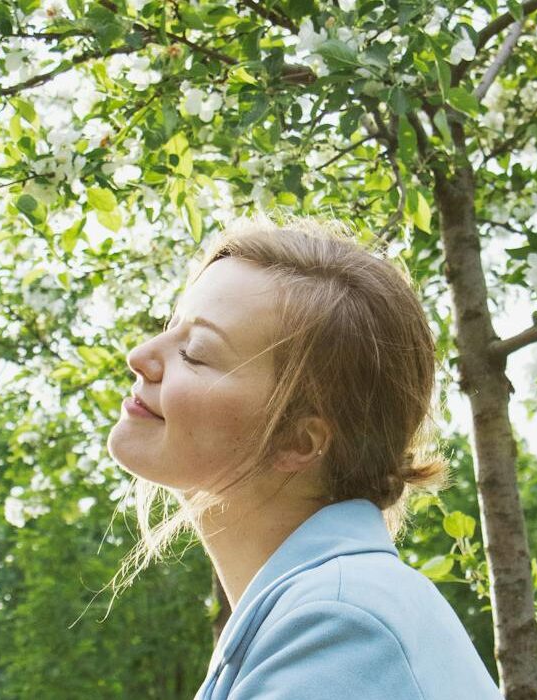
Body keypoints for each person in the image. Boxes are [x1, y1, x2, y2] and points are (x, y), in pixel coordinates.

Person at [105, 215, 503, 699]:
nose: (141, 354)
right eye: (172, 326)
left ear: (299, 441)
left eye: (196, 352)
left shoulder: (340, 628)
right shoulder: (318, 611)